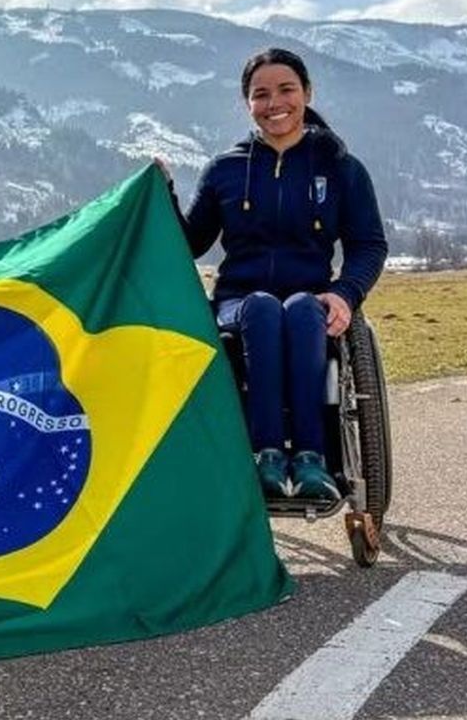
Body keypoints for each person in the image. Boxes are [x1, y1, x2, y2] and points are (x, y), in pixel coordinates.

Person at [158, 47, 387, 500]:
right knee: (262, 308)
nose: (274, 103)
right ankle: (265, 456)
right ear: (248, 103)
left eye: (286, 89)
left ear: (307, 93)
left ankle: (311, 460)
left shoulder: (340, 167)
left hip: (312, 299)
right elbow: (191, 245)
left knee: (303, 307)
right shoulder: (225, 170)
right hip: (238, 302)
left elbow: (368, 245)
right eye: (260, 94)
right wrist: (162, 194)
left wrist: (345, 293)